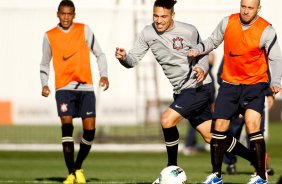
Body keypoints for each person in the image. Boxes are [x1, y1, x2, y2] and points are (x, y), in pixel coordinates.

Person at [115, 0, 255, 183]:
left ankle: (170, 170)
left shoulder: (188, 31)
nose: (159, 20)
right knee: (211, 137)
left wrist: (202, 69)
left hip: (199, 87)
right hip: (181, 91)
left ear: (173, 15)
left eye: (163, 16)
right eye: (155, 16)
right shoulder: (148, 33)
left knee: (166, 119)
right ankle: (256, 159)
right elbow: (132, 60)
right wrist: (124, 57)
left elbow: (202, 53)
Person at [188, 0, 282, 183]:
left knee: (252, 124)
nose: (246, 11)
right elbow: (212, 41)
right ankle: (216, 176)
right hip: (229, 84)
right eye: (243, 6)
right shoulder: (227, 22)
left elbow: (276, 58)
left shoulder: (266, 30)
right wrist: (198, 49)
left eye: (250, 8)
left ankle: (261, 177)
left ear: (258, 9)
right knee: (219, 127)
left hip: (255, 85)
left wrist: (276, 81)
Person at [40, 0, 109, 183]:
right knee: (67, 125)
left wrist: (104, 75)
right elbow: (44, 63)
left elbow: (100, 54)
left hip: (85, 87)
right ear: (58, 14)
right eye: (63, 13)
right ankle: (71, 174)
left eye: (69, 14)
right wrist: (44, 83)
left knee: (90, 130)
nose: (66, 17)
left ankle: (78, 166)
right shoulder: (49, 36)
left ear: (74, 15)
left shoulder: (84, 30)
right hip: (64, 88)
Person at [182, 52, 216, 156]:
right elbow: (211, 91)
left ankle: (190, 145)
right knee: (201, 125)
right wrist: (212, 105)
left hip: (192, 100)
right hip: (201, 103)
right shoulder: (206, 72)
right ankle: (191, 145)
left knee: (194, 125)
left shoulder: (195, 69)